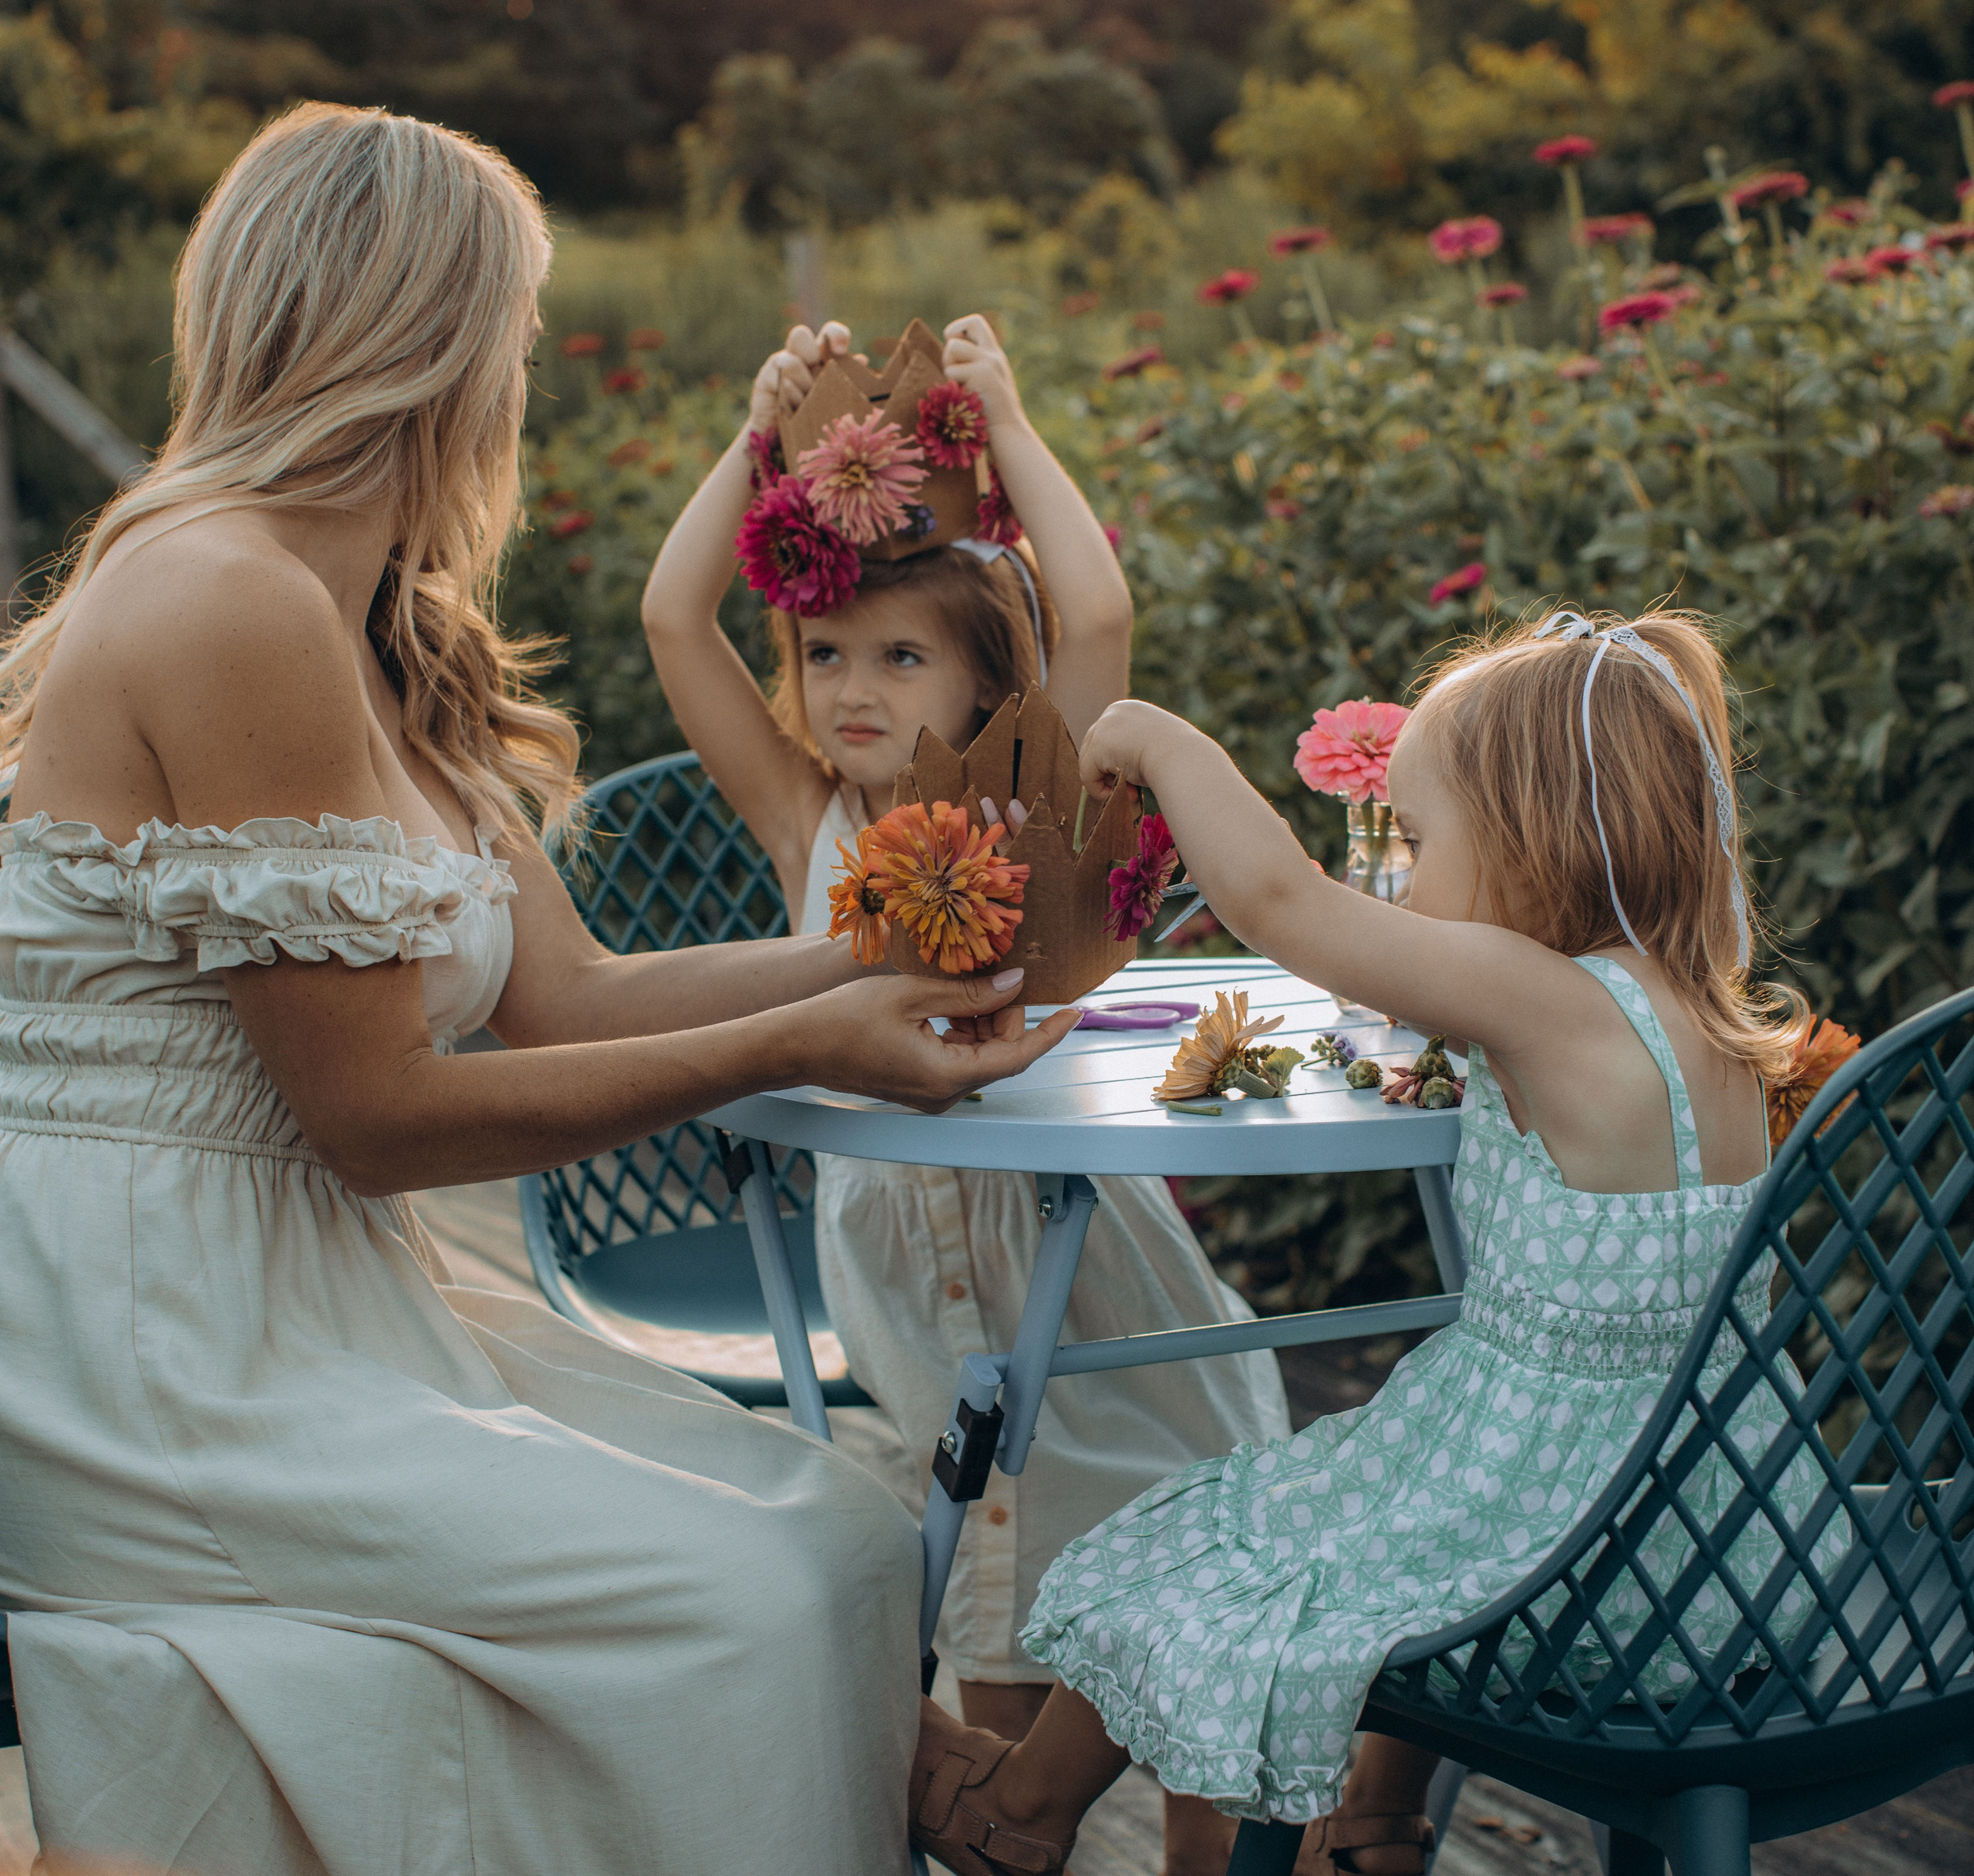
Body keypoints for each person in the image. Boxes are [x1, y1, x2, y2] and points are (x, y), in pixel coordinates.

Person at [0, 103, 1080, 1876]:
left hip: (299, 1298)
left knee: (821, 1522)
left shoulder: (371, 629)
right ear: (430, 343)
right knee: (745, 1590)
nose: (523, 375)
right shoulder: (225, 600)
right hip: (156, 1337)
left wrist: (892, 946)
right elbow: (373, 1120)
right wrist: (813, 1040)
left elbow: (565, 994)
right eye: (513, 331)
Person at [898, 611, 1841, 1876]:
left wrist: (1157, 740)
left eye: (1417, 837)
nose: (1396, 875)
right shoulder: (1715, 1016)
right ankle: (1381, 1827)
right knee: (1373, 1508)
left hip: (1561, 1556)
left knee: (1221, 1541)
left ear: (1533, 841)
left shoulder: (1541, 997)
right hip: (1727, 1548)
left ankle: (1022, 1812)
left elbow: (1288, 904)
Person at [642, 318, 1290, 1872]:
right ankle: (1012, 1825)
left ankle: (1207, 1847)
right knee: (1000, 1603)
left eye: (901, 654)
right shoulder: (807, 816)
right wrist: (759, 451)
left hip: (1086, 1272)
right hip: (917, 1288)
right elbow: (674, 621)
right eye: (823, 655)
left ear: (989, 680)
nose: (849, 690)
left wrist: (1000, 417)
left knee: (1189, 1544)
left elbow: (1100, 604)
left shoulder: (1017, 796)